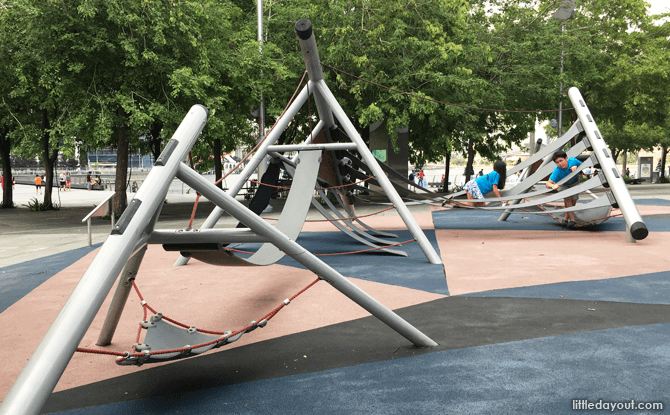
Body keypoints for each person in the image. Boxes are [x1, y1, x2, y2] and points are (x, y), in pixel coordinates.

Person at [546, 150, 582, 228]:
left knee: (574, 200)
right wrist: (553, 186)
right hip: (563, 184)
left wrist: (576, 166)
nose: (560, 163)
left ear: (566, 158)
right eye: (557, 162)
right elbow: (548, 183)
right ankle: (572, 220)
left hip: (574, 183)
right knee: (568, 198)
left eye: (561, 161)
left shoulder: (572, 160)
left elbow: (583, 165)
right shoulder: (557, 170)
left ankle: (566, 217)